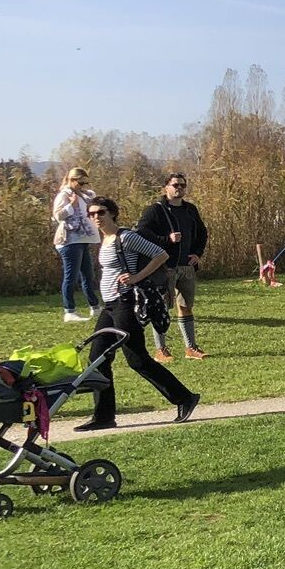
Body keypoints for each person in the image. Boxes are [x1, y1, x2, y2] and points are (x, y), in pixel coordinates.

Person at [79, 197, 200, 431]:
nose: (96, 217)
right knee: (97, 358)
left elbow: (160, 254)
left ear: (112, 213)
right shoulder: (105, 239)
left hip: (125, 304)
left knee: (137, 359)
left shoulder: (126, 237)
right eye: (91, 214)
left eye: (101, 212)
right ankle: (103, 416)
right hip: (110, 306)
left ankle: (184, 397)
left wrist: (136, 277)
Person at [136, 172, 210, 361]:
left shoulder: (190, 209)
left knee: (186, 307)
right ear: (166, 187)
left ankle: (191, 348)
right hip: (165, 267)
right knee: (161, 307)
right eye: (175, 185)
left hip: (187, 267)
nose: (179, 188)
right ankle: (161, 350)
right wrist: (166, 239)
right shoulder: (156, 210)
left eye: (182, 185)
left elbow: (202, 232)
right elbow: (141, 232)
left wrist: (197, 253)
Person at [50, 167, 99, 322]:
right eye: (81, 183)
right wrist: (71, 205)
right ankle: (69, 311)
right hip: (69, 240)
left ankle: (95, 307)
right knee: (71, 276)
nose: (84, 186)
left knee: (88, 275)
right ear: (72, 180)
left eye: (86, 183)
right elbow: (57, 216)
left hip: (83, 239)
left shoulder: (84, 195)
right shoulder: (64, 195)